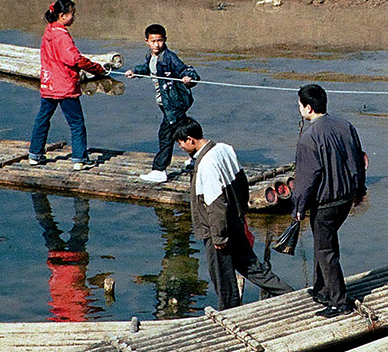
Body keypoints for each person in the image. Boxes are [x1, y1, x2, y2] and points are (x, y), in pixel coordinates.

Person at [174, 117, 292, 310]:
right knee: (252, 267)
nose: (181, 147)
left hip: (218, 230)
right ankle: (287, 293)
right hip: (235, 221)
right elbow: (242, 183)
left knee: (223, 277)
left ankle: (229, 313)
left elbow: (215, 204)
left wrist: (218, 237)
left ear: (190, 139)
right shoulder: (224, 149)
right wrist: (242, 213)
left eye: (181, 143)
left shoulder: (206, 164)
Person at [291, 83, 367, 317]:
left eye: (300, 105)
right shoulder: (346, 126)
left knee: (326, 250)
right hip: (345, 199)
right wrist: (359, 191)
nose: (299, 109)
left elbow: (306, 178)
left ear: (309, 107)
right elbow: (358, 160)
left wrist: (298, 206)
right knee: (324, 243)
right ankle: (321, 288)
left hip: (325, 203)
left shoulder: (309, 137)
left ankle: (339, 301)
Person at [28, 0, 106, 171]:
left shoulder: (49, 31)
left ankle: (35, 154)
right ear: (62, 16)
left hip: (48, 84)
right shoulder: (62, 35)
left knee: (42, 119)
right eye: (72, 14)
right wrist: (97, 69)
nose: (74, 18)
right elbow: (74, 59)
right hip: (64, 86)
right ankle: (79, 159)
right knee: (76, 123)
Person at [125, 23, 200, 183]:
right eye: (153, 41)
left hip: (174, 103)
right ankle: (197, 157)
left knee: (166, 135)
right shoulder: (151, 56)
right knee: (183, 130)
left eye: (160, 41)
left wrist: (188, 78)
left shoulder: (169, 57)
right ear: (146, 41)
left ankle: (159, 170)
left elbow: (184, 70)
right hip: (165, 104)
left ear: (165, 40)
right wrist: (135, 72)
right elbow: (147, 68)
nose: (157, 44)